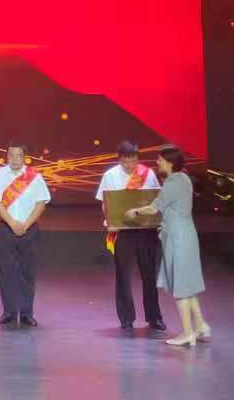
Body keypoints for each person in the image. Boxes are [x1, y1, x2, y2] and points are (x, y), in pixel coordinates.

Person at [125, 145, 211, 348]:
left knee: (180, 286)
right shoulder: (184, 178)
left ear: (170, 163)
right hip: (185, 234)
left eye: (160, 160)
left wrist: (134, 211)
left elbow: (153, 208)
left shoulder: (172, 183)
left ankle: (187, 333)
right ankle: (200, 326)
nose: (157, 163)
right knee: (187, 285)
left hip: (177, 237)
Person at [96, 141, 165, 332]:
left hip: (146, 230)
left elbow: (155, 200)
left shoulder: (147, 174)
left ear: (138, 158)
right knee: (123, 277)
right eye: (125, 162)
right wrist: (110, 220)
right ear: (119, 159)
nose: (130, 165)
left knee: (149, 275)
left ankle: (154, 318)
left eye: (133, 161)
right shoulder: (110, 175)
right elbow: (105, 202)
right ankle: (126, 318)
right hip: (122, 231)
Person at [0, 141, 51, 327]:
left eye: (18, 155)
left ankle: (26, 314)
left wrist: (26, 224)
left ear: (25, 157)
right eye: (11, 155)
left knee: (27, 272)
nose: (15, 159)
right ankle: (8, 312)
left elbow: (41, 204)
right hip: (6, 228)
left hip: (29, 229)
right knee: (6, 272)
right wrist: (12, 223)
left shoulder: (35, 177)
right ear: (7, 156)